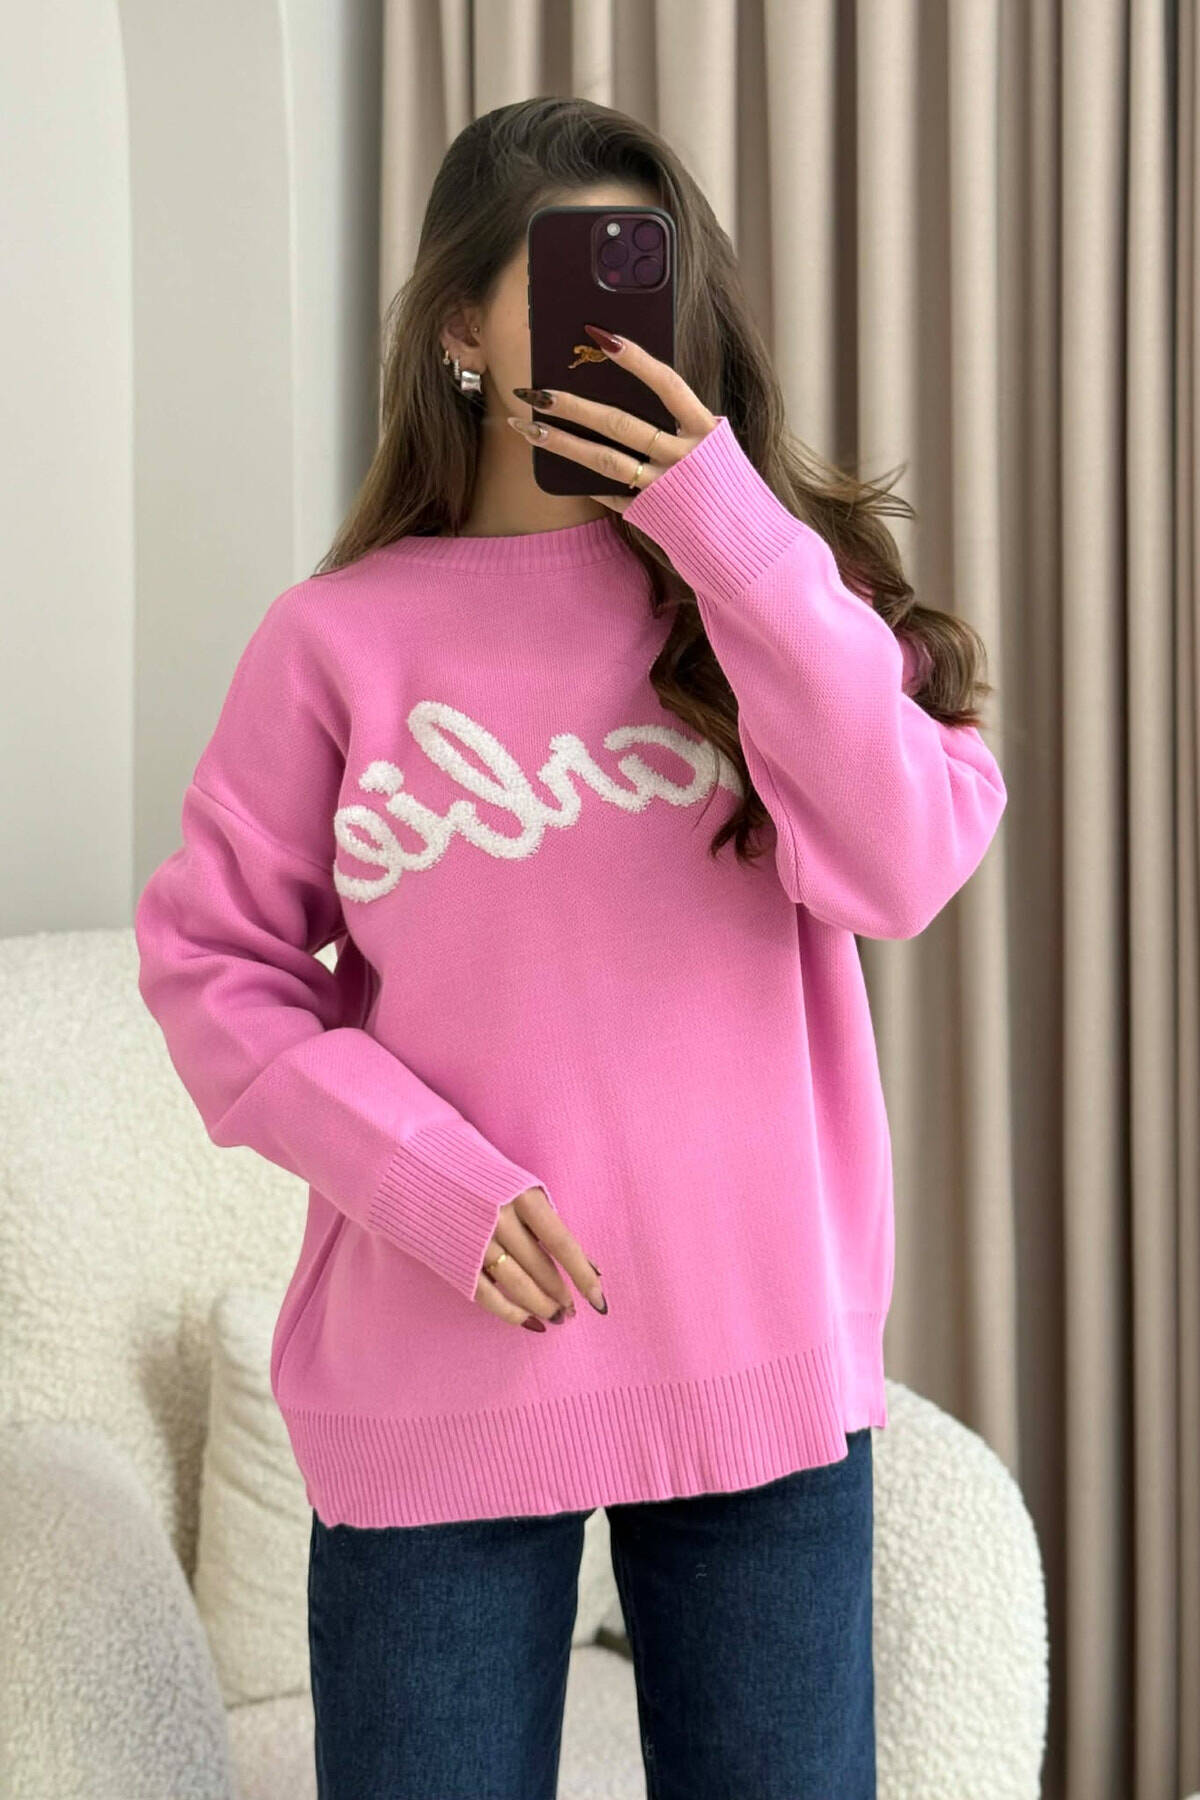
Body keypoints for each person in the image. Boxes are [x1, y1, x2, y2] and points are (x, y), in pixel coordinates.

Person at [135, 96, 1007, 1800]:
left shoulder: (770, 598)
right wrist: (425, 1181)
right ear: (462, 325)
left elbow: (903, 868)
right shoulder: (337, 643)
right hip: (434, 1371)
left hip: (757, 1362)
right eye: (563, 276)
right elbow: (211, 966)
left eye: (643, 273)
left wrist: (724, 527)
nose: (613, 316)